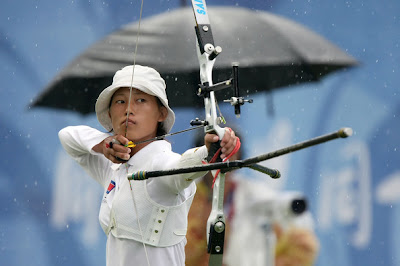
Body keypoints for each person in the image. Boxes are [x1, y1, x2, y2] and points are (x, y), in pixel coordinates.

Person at [58, 65, 238, 266]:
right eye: (120, 101)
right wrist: (103, 145)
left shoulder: (162, 162)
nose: (128, 109)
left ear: (161, 113)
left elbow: (179, 168)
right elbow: (67, 136)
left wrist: (208, 151)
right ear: (109, 114)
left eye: (141, 100)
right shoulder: (112, 164)